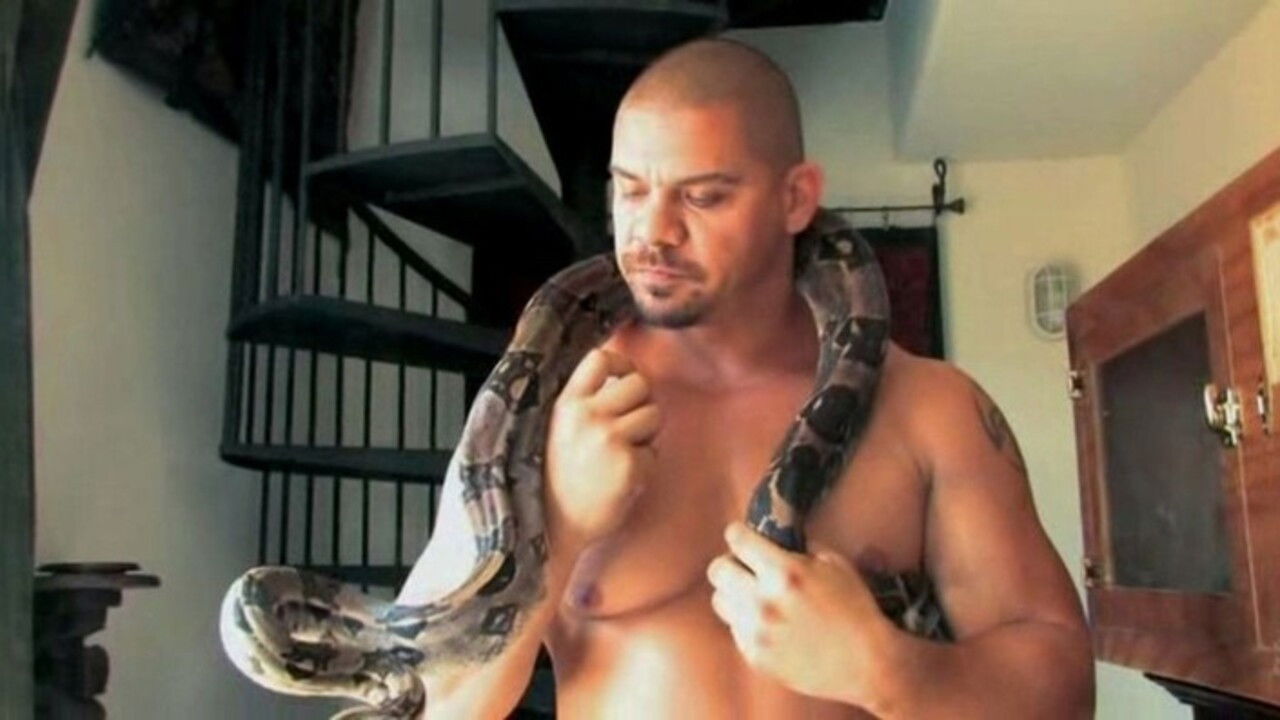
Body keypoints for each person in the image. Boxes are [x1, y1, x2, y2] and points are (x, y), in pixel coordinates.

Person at [398, 37, 1094, 719]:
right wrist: (560, 524)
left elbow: (1066, 694)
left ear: (796, 198)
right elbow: (428, 706)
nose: (652, 233)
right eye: (629, 191)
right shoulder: (539, 420)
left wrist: (885, 668)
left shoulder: (931, 409)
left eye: (702, 197)